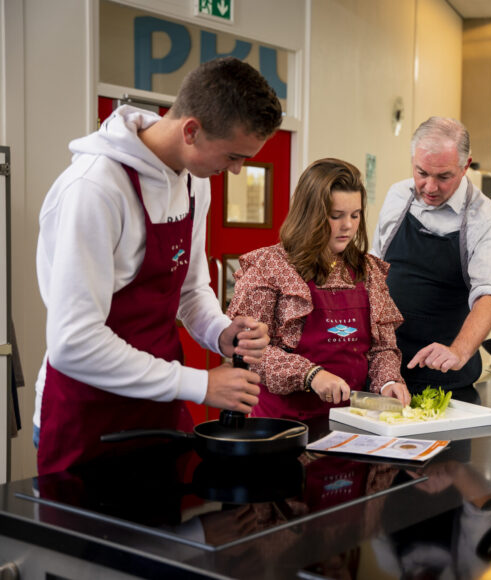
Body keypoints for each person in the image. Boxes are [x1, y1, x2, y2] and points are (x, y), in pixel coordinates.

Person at [34, 57, 282, 475]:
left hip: (158, 414)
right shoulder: (94, 189)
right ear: (191, 130)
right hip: (87, 417)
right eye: (234, 156)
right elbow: (73, 342)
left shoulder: (194, 182)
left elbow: (191, 288)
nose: (237, 170)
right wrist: (200, 384)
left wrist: (219, 332)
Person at [226, 158, 410, 420]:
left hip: (353, 421)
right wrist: (310, 375)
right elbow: (250, 352)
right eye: (336, 216)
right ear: (310, 214)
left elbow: (382, 348)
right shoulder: (269, 268)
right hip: (283, 426)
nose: (347, 225)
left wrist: (389, 382)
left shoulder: (368, 271)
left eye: (355, 215)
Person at [371, 117, 491, 399]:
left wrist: (458, 351)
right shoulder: (397, 195)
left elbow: (489, 296)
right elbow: (373, 269)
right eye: (421, 173)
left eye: (443, 177)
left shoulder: (487, 220)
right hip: (384, 377)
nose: (430, 187)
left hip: (445, 383)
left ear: (465, 166)